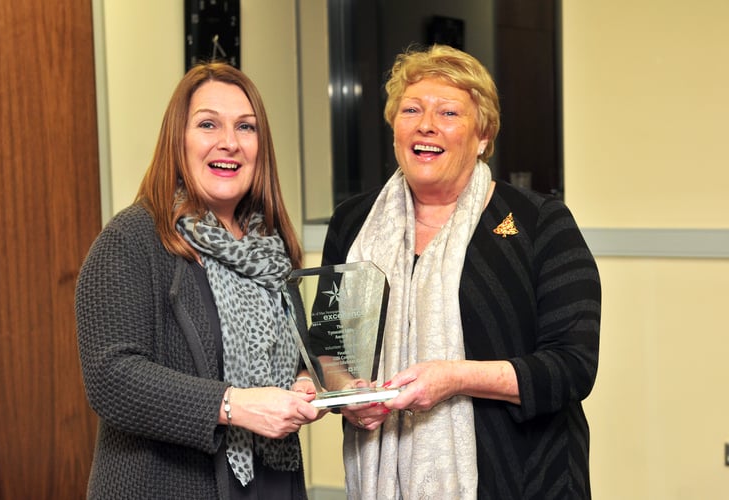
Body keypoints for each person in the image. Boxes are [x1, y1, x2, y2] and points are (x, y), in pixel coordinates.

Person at [319, 44, 601, 499]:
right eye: (411, 109)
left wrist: (456, 378)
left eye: (448, 113)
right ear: (394, 126)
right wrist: (348, 393)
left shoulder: (539, 222)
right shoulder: (353, 223)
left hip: (524, 479)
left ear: (483, 136)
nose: (426, 124)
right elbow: (329, 346)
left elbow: (572, 367)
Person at [75, 62, 324, 499]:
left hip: (272, 480)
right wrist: (233, 406)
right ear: (179, 140)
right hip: (169, 485)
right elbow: (111, 377)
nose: (228, 142)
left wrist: (307, 381)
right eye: (208, 124)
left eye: (245, 128)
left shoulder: (271, 248)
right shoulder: (131, 240)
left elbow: (295, 353)